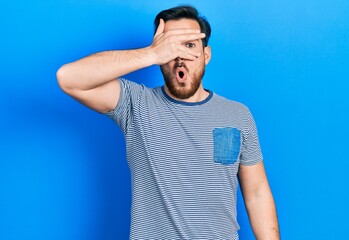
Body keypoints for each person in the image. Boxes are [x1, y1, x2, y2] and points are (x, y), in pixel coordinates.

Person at [56, 5, 280, 240]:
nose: (180, 57)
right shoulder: (136, 104)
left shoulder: (237, 115)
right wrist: (150, 53)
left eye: (189, 45)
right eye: (170, 47)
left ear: (206, 55)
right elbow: (68, 78)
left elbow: (256, 193)